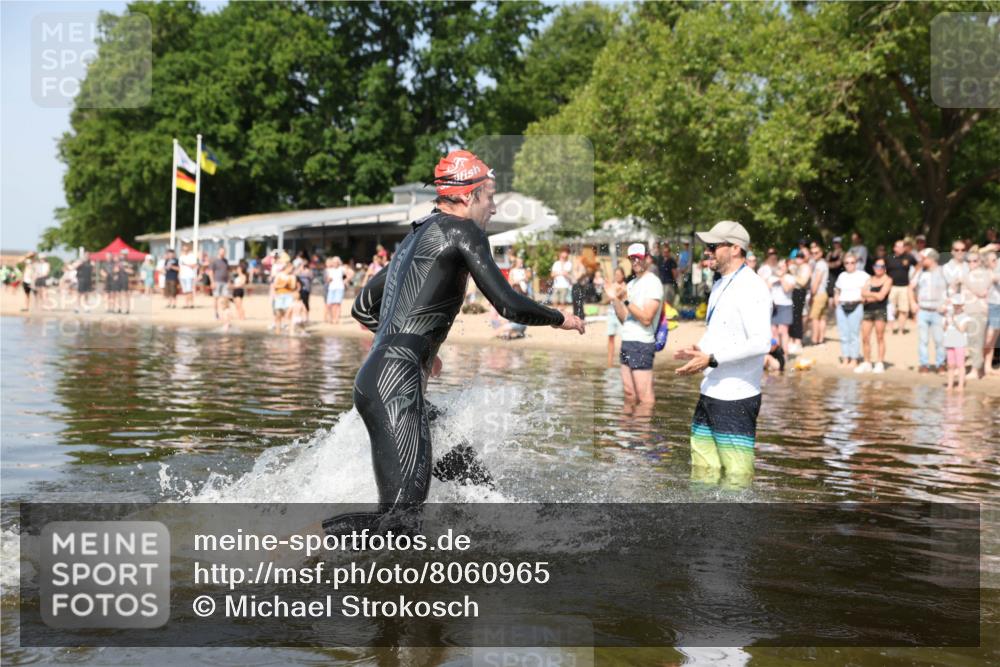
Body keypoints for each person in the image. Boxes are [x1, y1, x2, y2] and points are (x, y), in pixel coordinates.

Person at [320, 149, 584, 537]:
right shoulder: (463, 230)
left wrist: (415, 346)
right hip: (396, 382)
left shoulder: (416, 236)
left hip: (384, 377)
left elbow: (362, 307)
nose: (493, 208)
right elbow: (507, 304)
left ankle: (501, 540)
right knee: (399, 522)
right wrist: (561, 318)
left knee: (472, 484)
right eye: (489, 196)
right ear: (467, 195)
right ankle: (297, 540)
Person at [674, 220, 771, 489]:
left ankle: (734, 530)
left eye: (714, 246)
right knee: (703, 473)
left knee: (736, 480)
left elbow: (762, 342)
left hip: (736, 398)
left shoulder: (752, 287)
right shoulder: (720, 284)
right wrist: (699, 350)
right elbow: (720, 332)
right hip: (710, 392)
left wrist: (713, 358)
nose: (708, 251)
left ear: (736, 248)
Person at [607, 244, 662, 415]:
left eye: (639, 257)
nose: (635, 261)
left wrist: (626, 301)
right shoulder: (631, 284)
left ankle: (643, 439)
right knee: (629, 394)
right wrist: (614, 299)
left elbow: (646, 318)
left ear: (647, 258)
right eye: (632, 258)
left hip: (642, 344)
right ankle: (628, 436)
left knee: (645, 398)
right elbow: (625, 318)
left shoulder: (653, 282)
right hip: (627, 341)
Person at [911, 248, 948, 373]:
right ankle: (924, 364)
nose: (921, 260)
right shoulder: (920, 272)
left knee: (939, 339)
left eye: (924, 258)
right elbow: (910, 287)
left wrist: (947, 304)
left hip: (938, 311)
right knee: (923, 340)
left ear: (932, 259)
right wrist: (913, 303)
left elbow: (952, 288)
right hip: (923, 310)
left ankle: (940, 364)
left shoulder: (943, 271)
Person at [856, 258, 891, 373]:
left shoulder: (887, 280)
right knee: (865, 337)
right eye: (876, 266)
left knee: (879, 337)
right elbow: (862, 294)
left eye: (881, 266)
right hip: (867, 311)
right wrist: (874, 295)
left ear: (885, 268)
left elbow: (881, 296)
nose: (878, 268)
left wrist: (868, 296)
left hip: (880, 310)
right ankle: (867, 362)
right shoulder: (870, 279)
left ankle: (880, 362)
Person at [833, 253, 868, 368]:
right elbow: (837, 288)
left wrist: (864, 296)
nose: (849, 265)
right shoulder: (842, 275)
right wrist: (836, 297)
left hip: (856, 305)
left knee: (854, 334)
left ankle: (854, 358)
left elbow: (871, 284)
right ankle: (845, 358)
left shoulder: (862, 275)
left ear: (856, 263)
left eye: (852, 262)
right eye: (847, 263)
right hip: (842, 305)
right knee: (843, 334)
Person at [960, 249, 991, 379]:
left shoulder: (983, 274)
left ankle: (975, 370)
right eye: (969, 261)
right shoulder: (969, 274)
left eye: (975, 260)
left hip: (978, 312)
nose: (972, 263)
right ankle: (976, 368)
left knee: (976, 341)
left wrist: (964, 280)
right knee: (970, 341)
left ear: (980, 262)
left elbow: (981, 291)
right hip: (968, 311)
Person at [885, 240, 915, 334]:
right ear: (894, 248)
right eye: (899, 246)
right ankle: (891, 327)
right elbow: (883, 270)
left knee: (904, 309)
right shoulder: (889, 258)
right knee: (890, 308)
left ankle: (901, 329)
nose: (901, 248)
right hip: (892, 287)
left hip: (905, 287)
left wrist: (914, 277)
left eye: (903, 246)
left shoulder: (909, 257)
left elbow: (918, 265)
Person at [943, 294, 971, 391]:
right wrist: (946, 322)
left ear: (962, 305)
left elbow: (962, 329)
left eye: (958, 305)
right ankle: (950, 385)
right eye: (955, 305)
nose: (956, 307)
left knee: (960, 365)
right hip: (949, 342)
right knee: (950, 365)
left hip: (959, 343)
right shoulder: (949, 315)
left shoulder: (965, 316)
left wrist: (954, 320)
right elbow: (945, 328)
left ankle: (960, 385)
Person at [769, 260, 794, 357]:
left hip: (785, 305)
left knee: (783, 331)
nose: (781, 268)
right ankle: (775, 353)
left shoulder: (790, 278)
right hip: (773, 306)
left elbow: (787, 289)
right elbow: (766, 287)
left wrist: (781, 278)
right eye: (779, 267)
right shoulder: (771, 277)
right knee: (773, 332)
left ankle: (785, 354)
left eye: (783, 266)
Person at [605, 267, 627, 368]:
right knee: (610, 337)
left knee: (624, 338)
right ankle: (609, 363)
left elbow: (626, 299)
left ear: (623, 275)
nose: (617, 276)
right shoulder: (612, 286)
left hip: (621, 314)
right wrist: (616, 294)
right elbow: (607, 299)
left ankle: (624, 362)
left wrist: (619, 293)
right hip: (611, 314)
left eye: (619, 274)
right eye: (616, 274)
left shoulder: (626, 287)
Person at [808, 243, 830, 345]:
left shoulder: (820, 264)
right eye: (812, 253)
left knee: (814, 318)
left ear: (821, 253)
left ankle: (815, 339)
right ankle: (820, 339)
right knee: (822, 318)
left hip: (818, 294)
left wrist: (812, 295)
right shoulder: (820, 263)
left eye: (816, 252)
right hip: (823, 293)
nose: (814, 254)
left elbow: (817, 281)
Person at [324, 256, 353, 324]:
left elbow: (351, 273)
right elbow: (327, 279)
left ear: (338, 262)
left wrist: (346, 280)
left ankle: (336, 319)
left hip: (339, 288)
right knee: (329, 304)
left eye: (336, 262)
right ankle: (332, 318)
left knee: (337, 304)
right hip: (331, 288)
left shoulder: (341, 268)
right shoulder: (329, 269)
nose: (334, 263)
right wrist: (328, 280)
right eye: (333, 262)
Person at [985, 251, 1000, 375]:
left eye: (996, 259)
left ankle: (987, 366)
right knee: (986, 337)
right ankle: (981, 365)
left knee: (992, 338)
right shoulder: (983, 273)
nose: (995, 262)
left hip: (997, 306)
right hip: (985, 306)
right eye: (992, 260)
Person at [272, 262, 297, 332]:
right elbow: (274, 285)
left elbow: (293, 287)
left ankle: (289, 329)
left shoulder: (292, 276)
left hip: (288, 295)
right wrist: (283, 285)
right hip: (279, 295)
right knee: (278, 313)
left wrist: (289, 284)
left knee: (289, 313)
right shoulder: (279, 275)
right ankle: (278, 330)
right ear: (287, 268)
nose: (292, 270)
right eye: (291, 269)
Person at [209, 247, 231, 319]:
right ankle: (216, 314)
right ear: (218, 252)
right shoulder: (214, 261)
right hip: (217, 281)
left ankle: (224, 313)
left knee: (225, 298)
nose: (222, 253)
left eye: (224, 252)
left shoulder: (226, 261)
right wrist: (212, 282)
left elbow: (228, 272)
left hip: (225, 282)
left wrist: (229, 281)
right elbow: (211, 272)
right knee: (216, 298)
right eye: (221, 251)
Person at [657, 242, 679, 307]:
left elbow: (674, 273)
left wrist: (675, 283)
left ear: (669, 252)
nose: (664, 253)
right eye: (664, 252)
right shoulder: (661, 261)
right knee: (662, 300)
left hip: (669, 283)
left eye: (666, 252)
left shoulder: (671, 261)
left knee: (667, 300)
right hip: (662, 283)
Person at [178, 243, 198, 309]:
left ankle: (191, 304)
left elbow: (194, 265)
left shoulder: (192, 256)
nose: (185, 251)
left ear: (188, 249)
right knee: (185, 291)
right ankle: (186, 304)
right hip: (182, 276)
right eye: (184, 249)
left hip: (189, 275)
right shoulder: (181, 257)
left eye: (186, 249)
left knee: (189, 290)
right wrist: (179, 275)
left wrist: (186, 264)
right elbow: (180, 267)